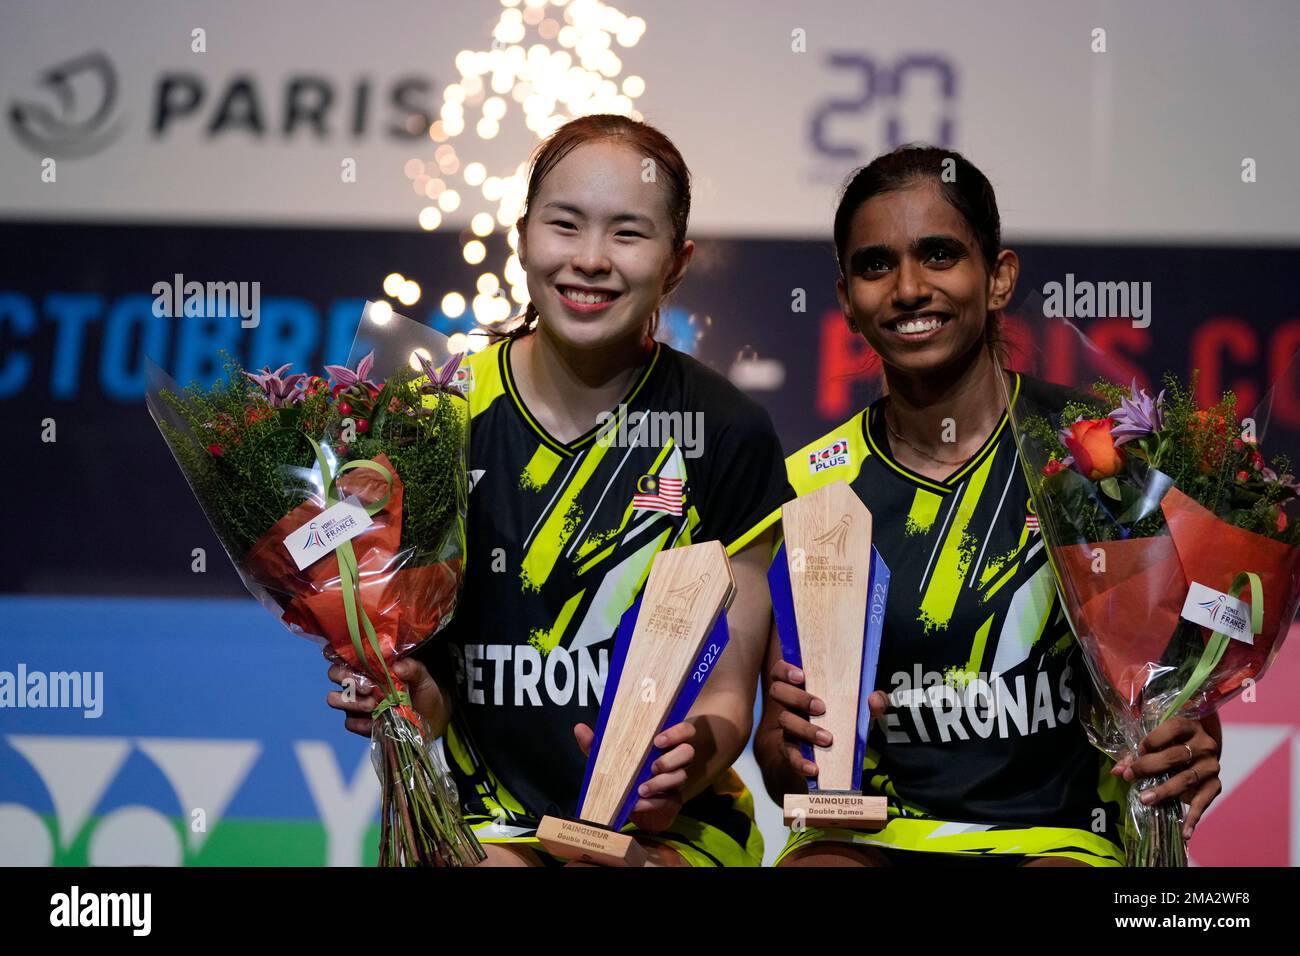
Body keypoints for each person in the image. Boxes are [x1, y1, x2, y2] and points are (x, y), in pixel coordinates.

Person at [327, 114, 789, 867]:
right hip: (492, 824)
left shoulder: (727, 429)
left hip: (674, 831)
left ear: (678, 262)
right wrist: (403, 693)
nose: (591, 260)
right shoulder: (441, 411)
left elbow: (731, 695)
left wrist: (686, 760)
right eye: (565, 226)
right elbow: (436, 688)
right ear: (522, 237)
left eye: (629, 235)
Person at [752, 145, 1224, 867]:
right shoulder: (812, 487)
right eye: (876, 265)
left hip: (1061, 834)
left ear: (999, 278)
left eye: (939, 255)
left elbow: (1173, 687)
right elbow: (784, 763)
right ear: (847, 299)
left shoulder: (1099, 456)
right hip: (871, 832)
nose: (909, 288)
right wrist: (789, 750)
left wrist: (1188, 734)